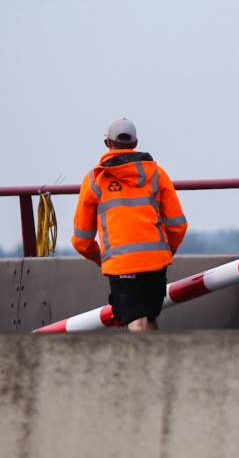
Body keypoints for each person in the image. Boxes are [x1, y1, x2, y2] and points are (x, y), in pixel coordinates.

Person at [72, 118, 188, 331]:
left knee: (137, 319)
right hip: (155, 262)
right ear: (135, 143)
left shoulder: (95, 180)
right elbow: (178, 226)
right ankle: (155, 363)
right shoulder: (157, 173)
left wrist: (103, 259)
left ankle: (141, 364)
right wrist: (162, 254)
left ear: (107, 143)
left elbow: (82, 240)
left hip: (121, 265)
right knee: (150, 318)